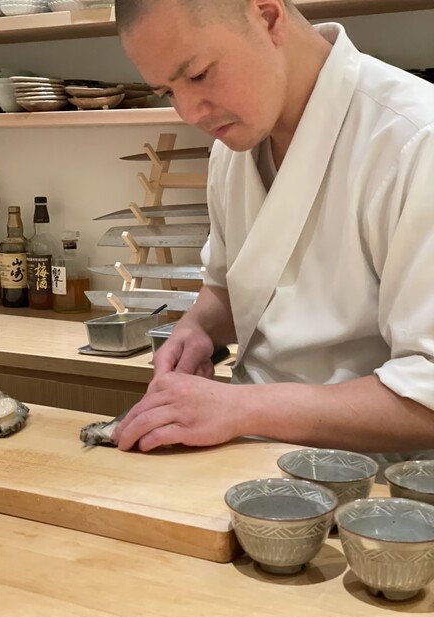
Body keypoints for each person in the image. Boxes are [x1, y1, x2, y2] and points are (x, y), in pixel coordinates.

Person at [112, 0, 434, 461]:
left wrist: (240, 408)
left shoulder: (416, 137)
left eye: (199, 75)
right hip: (246, 460)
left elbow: (427, 394)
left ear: (268, 17)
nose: (189, 112)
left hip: (377, 486)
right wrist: (198, 328)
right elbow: (231, 287)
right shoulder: (232, 147)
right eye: (167, 92)